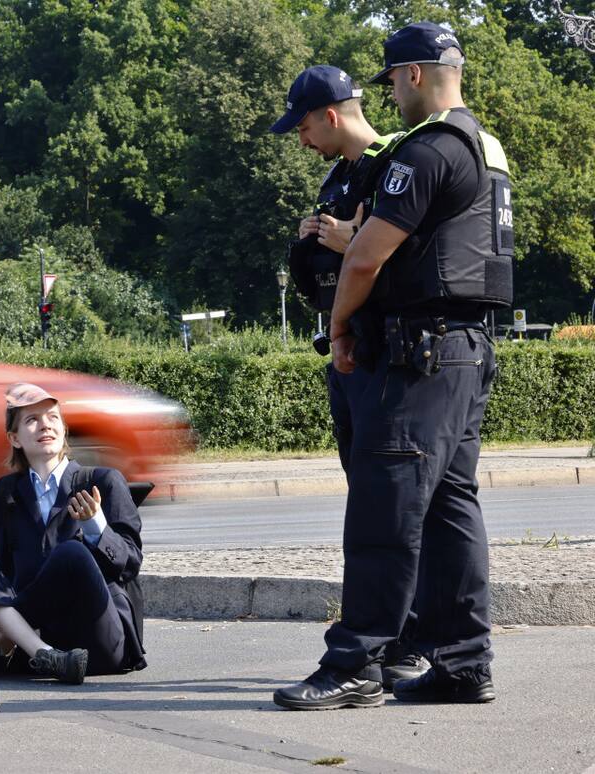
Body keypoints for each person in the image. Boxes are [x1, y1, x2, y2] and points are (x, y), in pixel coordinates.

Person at [274, 22, 512, 710]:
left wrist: (342, 324)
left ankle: (358, 660)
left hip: (421, 354)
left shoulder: (429, 147)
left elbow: (368, 254)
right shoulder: (485, 147)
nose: (392, 97)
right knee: (449, 510)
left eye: (392, 81)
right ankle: (464, 663)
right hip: (468, 346)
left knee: (385, 509)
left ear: (411, 75)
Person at [270, 65, 428, 692]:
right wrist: (315, 241)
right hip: (347, 353)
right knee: (368, 500)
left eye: (304, 125)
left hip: (383, 354)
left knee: (392, 509)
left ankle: (406, 639)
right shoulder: (338, 174)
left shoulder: (394, 164)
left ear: (331, 115)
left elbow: (408, 259)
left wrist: (346, 241)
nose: (301, 139)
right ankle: (392, 634)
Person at [0, 383, 146, 685]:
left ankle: (2, 641)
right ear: (14, 438)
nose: (45, 424)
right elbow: (6, 579)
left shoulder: (104, 481)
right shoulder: (2, 495)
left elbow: (131, 563)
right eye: (32, 420)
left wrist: (96, 526)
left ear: (64, 430)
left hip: (99, 640)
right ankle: (43, 653)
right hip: (37, 642)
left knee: (71, 553)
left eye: (53, 417)